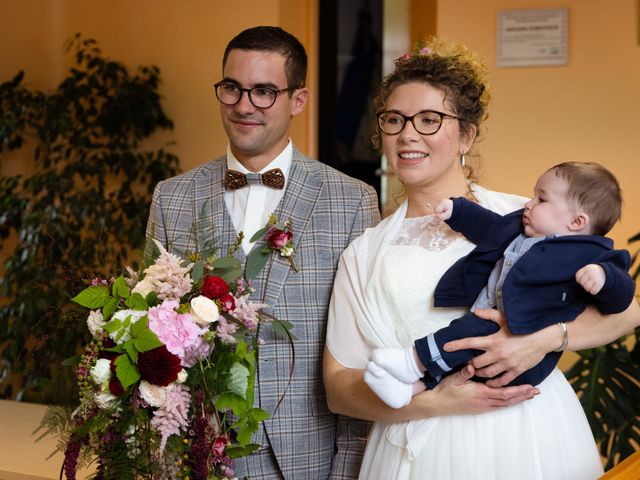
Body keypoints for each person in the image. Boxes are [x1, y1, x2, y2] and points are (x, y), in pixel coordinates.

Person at [323, 38, 640, 480]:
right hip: (419, 442)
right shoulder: (364, 252)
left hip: (528, 430)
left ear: (467, 135)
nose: (408, 134)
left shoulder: (530, 216)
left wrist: (543, 340)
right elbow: (339, 389)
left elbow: (626, 313)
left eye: (430, 120)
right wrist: (439, 401)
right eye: (394, 120)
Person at [144, 26, 380, 479]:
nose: (243, 104)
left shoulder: (352, 200)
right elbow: (154, 330)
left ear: (298, 100)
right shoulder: (171, 198)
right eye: (232, 87)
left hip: (306, 457)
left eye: (264, 91)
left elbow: (361, 350)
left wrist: (350, 466)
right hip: (194, 452)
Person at [365, 162, 635, 409]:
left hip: (525, 351)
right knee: (465, 350)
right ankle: (411, 388)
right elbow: (488, 225)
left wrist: (603, 277)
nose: (529, 204)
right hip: (491, 331)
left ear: (577, 222)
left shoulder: (592, 255)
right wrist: (457, 211)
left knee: (468, 330)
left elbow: (623, 295)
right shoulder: (519, 228)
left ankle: (412, 361)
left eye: (541, 199)